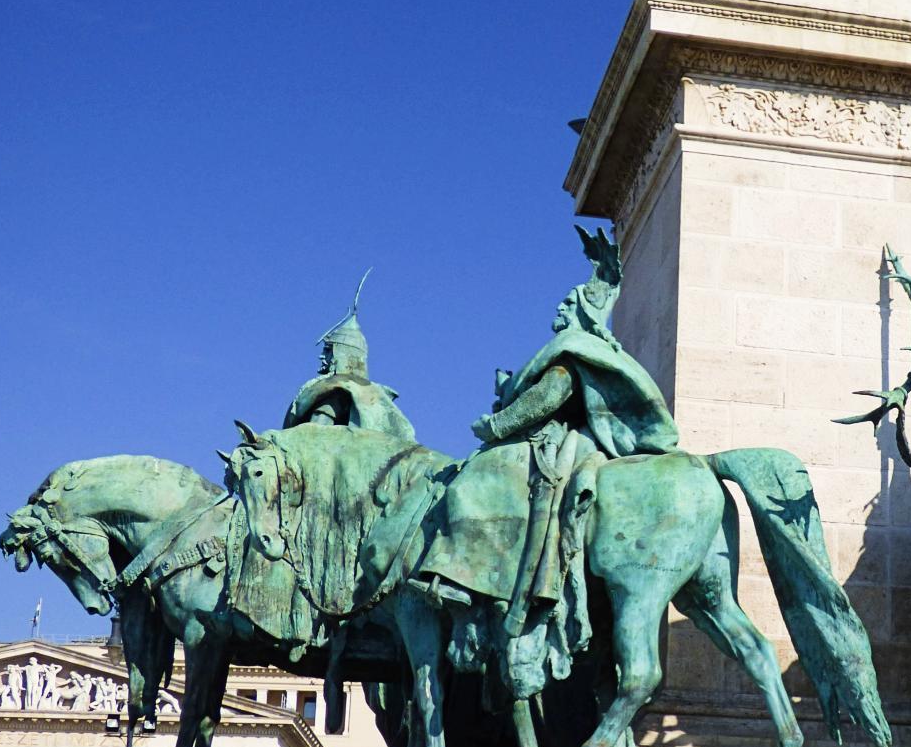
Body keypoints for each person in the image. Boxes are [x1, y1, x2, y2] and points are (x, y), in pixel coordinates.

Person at [417, 226, 680, 701]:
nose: (558, 310)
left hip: (558, 442)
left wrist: (495, 427)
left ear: (583, 311)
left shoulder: (572, 351)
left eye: (567, 304)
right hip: (566, 441)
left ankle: (466, 584)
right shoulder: (580, 350)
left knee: (474, 483)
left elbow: (552, 395)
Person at [283, 269, 417, 441]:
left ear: (341, 353)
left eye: (328, 350)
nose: (322, 357)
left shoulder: (335, 390)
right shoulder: (379, 397)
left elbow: (312, 438)